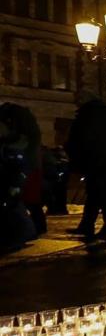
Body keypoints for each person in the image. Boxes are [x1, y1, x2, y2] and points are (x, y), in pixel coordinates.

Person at [64, 95, 106, 243]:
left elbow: (81, 140)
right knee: (96, 195)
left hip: (96, 161)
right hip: (105, 161)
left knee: (100, 195)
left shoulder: (88, 116)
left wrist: (77, 157)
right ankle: (91, 225)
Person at [0, 102, 41, 249]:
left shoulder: (16, 144)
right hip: (15, 175)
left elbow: (19, 167)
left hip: (16, 177)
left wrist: (16, 183)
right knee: (14, 205)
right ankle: (24, 232)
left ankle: (24, 233)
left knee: (14, 204)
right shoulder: (14, 142)